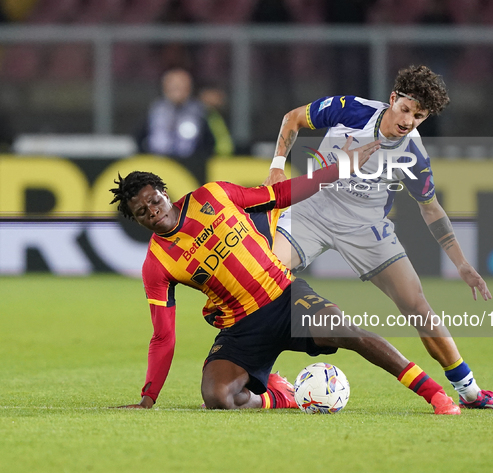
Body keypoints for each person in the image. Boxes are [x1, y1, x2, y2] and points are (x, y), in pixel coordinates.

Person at [109, 141, 462, 414]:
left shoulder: (213, 196)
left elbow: (277, 196)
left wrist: (339, 169)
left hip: (285, 297)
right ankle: (278, 396)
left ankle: (434, 394)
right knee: (217, 396)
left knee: (347, 331)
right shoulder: (156, 264)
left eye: (154, 201)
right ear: (137, 221)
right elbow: (163, 336)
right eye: (142, 212)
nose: (153, 212)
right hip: (242, 326)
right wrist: (148, 398)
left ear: (164, 193)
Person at [263, 64, 493, 410]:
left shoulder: (413, 154)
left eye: (419, 116)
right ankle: (256, 380)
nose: (408, 121)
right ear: (392, 99)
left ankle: (471, 392)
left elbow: (431, 209)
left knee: (417, 305)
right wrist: (278, 163)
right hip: (311, 210)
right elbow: (293, 118)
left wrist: (462, 264)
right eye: (405, 109)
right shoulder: (351, 111)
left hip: (365, 226)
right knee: (259, 281)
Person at [137, 67, 215, 185]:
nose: (177, 90)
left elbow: (211, 142)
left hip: (190, 172)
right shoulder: (155, 112)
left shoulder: (200, 112)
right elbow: (139, 138)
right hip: (157, 168)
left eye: (181, 86)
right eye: (173, 86)